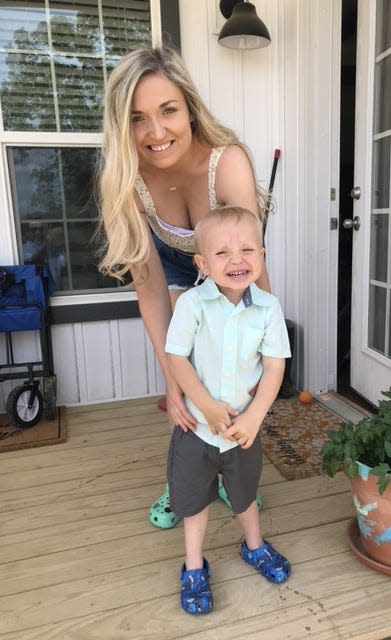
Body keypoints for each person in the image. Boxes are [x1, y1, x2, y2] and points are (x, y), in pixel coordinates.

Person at [98, 45, 270, 529]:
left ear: (189, 108)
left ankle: (238, 479)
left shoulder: (227, 162)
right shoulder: (127, 180)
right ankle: (186, 480)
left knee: (235, 372)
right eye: (137, 119)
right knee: (187, 384)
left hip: (230, 263)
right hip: (172, 272)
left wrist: (261, 345)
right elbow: (149, 286)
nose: (155, 133)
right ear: (122, 125)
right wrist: (171, 379)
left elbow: (249, 266)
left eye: (168, 111)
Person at [165, 206, 291, 614]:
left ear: (262, 254)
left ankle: (253, 545)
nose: (237, 260)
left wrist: (254, 416)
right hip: (196, 430)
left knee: (245, 494)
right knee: (194, 501)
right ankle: (194, 565)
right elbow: (177, 357)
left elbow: (275, 367)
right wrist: (203, 404)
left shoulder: (269, 308)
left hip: (243, 430)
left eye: (247, 249)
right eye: (222, 253)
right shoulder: (191, 304)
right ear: (202, 263)